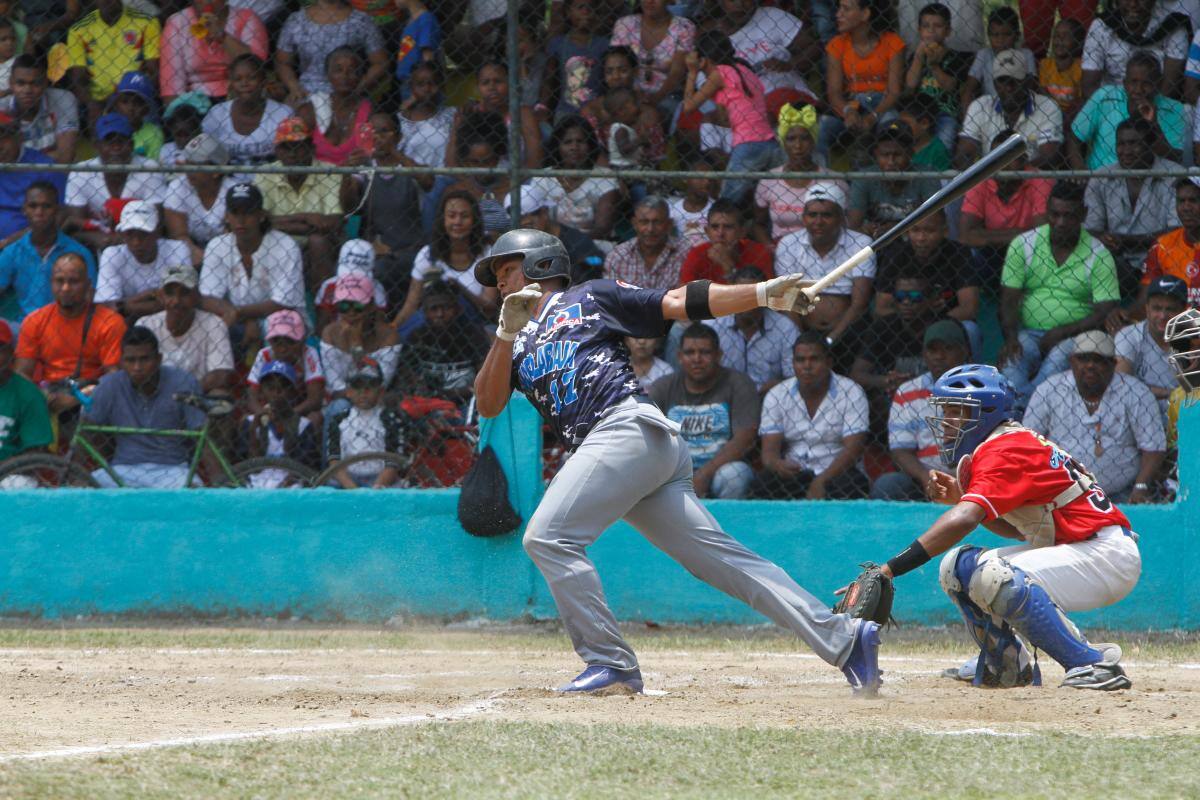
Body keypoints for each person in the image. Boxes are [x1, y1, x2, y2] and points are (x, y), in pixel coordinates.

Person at [471, 227, 881, 695]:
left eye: (506, 270)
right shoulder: (514, 341)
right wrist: (505, 332)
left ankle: (611, 664)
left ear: (541, 266)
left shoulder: (587, 297)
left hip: (627, 429)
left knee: (548, 538)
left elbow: (679, 302)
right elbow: (488, 404)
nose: (499, 284)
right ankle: (846, 639)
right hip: (623, 454)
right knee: (722, 562)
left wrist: (763, 294)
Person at [863, 363, 1141, 691]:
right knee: (957, 567)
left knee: (994, 573)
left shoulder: (1004, 449)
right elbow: (1017, 531)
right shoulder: (1000, 445)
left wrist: (890, 568)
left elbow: (966, 520)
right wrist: (963, 497)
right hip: (1079, 548)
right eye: (946, 410)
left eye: (958, 411)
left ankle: (1091, 663)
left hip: (1105, 555)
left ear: (987, 413)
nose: (947, 422)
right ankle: (1008, 663)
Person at [999, 181, 1120, 408]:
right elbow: (1008, 300)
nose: (1061, 222)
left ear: (1083, 214)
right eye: (1055, 214)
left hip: (1077, 335)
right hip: (1029, 333)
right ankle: (1020, 412)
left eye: (1069, 215)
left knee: (1055, 363)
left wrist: (1063, 332)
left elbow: (1105, 310)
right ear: (1046, 210)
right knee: (1012, 363)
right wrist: (1011, 338)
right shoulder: (1024, 244)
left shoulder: (1099, 253)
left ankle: (1018, 409)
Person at [1024, 330, 1166, 503]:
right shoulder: (1048, 390)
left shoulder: (1136, 392)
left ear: (1113, 364)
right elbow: (1028, 443)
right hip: (1060, 495)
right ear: (1071, 361)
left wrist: (1140, 487)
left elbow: (1154, 447)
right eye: (1083, 358)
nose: (1090, 365)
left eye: (1098, 360)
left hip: (1121, 495)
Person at [750, 331, 871, 500]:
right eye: (800, 360)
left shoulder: (852, 392)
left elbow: (854, 449)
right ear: (793, 363)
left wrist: (821, 480)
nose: (806, 366)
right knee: (762, 483)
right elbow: (769, 452)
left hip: (836, 472)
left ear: (829, 362)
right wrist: (778, 465)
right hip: (794, 472)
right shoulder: (777, 394)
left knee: (851, 484)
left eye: (814, 359)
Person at [84, 327, 207, 489]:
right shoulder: (108, 385)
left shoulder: (183, 382)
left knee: (194, 491)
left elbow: (201, 437)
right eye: (130, 360)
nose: (137, 367)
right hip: (124, 468)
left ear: (159, 359)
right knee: (86, 486)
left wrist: (221, 479)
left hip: (172, 469)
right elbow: (86, 429)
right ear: (121, 362)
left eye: (144, 359)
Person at [647, 323, 758, 499]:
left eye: (705, 352)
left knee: (734, 475)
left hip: (720, 468)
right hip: (674, 469)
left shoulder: (738, 383)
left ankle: (727, 524)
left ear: (718, 355)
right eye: (689, 353)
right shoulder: (663, 386)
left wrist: (704, 474)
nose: (696, 359)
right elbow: (646, 434)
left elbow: (744, 439)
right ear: (679, 357)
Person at [15, 254, 126, 416]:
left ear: (88, 285)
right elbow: (22, 373)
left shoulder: (110, 322)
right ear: (51, 284)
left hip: (93, 395)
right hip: (49, 394)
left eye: (73, 282)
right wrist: (40, 397)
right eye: (59, 281)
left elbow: (115, 376)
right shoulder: (35, 321)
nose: (65, 288)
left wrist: (77, 398)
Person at [870, 319, 969, 500]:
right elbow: (901, 450)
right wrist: (926, 477)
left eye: (947, 349)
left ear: (964, 352)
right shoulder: (907, 391)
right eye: (933, 350)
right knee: (888, 485)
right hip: (924, 478)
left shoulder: (982, 388)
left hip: (974, 476)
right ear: (924, 354)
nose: (939, 356)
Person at [774, 182, 875, 357]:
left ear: (841, 217)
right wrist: (803, 341)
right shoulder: (789, 244)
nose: (818, 222)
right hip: (802, 330)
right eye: (812, 215)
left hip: (850, 331)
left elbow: (860, 303)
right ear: (803, 217)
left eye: (826, 215)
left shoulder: (860, 244)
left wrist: (829, 341)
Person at [682, 30, 782, 203]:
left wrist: (691, 72)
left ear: (704, 61)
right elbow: (728, 114)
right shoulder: (743, 70)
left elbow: (688, 107)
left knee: (726, 203)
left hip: (748, 143)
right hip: (770, 143)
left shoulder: (720, 73)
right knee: (772, 197)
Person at [199, 182, 305, 341]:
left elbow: (284, 303)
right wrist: (239, 315)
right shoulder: (217, 246)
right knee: (208, 323)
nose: (241, 220)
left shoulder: (286, 246)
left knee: (277, 326)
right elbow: (207, 297)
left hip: (281, 319)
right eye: (235, 213)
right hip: (234, 318)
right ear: (227, 216)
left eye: (248, 213)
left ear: (261, 215)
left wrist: (240, 313)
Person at [1084, 118, 1182, 285]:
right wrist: (1104, 238)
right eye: (1121, 144)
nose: (1126, 151)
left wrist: (1128, 241)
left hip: (1162, 258)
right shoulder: (1101, 178)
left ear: (1150, 145)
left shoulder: (1174, 175)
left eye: (1133, 143)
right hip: (1114, 260)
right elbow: (1091, 228)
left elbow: (1176, 232)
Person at [255, 116, 344, 289]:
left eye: (298, 147)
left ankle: (323, 305)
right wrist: (305, 218)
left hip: (320, 247)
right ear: (277, 151)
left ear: (311, 148)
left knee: (318, 241)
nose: (292, 154)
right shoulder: (265, 173)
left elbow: (333, 222)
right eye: (285, 148)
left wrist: (274, 222)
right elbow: (257, 221)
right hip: (277, 242)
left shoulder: (330, 172)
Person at [392, 190, 497, 329]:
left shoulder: (487, 253)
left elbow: (489, 307)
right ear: (443, 220)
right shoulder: (427, 255)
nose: (457, 222)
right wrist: (392, 328)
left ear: (474, 220)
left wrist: (458, 288)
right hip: (433, 326)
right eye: (451, 216)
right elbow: (411, 305)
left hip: (471, 326)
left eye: (464, 216)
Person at [958, 130, 1053, 285]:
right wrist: (1018, 235)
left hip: (1028, 252)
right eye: (996, 158)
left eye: (1008, 158)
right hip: (991, 253)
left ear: (1024, 160)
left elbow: (1042, 235)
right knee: (970, 255)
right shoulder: (980, 179)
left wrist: (986, 236)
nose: (1001, 165)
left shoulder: (1039, 180)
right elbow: (966, 236)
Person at [817, 0, 906, 165]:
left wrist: (873, 117)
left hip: (883, 105)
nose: (838, 14)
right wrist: (848, 112)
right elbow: (834, 93)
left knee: (892, 124)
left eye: (846, 9)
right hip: (853, 105)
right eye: (839, 8)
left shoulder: (892, 42)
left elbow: (894, 92)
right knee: (822, 126)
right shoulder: (837, 44)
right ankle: (821, 179)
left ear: (865, 14)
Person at [62, 113, 166, 252]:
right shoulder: (81, 172)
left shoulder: (149, 169)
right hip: (95, 247)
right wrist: (97, 238)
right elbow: (74, 228)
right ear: (97, 146)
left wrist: (117, 239)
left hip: (141, 244)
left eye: (121, 141)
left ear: (131, 144)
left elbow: (157, 225)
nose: (116, 148)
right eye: (109, 142)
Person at [1069, 52, 1188, 171]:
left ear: (1159, 84)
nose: (1138, 90)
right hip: (1102, 178)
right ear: (1125, 83)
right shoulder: (1105, 97)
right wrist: (1080, 169)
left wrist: (1154, 124)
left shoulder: (1174, 109)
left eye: (1146, 83)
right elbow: (1074, 138)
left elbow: (1175, 159)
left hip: (1153, 180)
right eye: (1133, 82)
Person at [0, 182, 94, 323]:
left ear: (57, 210)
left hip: (69, 324)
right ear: (24, 210)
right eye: (33, 206)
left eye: (46, 206)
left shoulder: (79, 252)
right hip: (24, 325)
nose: (39, 212)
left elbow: (90, 297)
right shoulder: (13, 251)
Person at [850, 273, 942, 416]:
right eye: (900, 297)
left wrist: (912, 385)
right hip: (892, 396)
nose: (906, 302)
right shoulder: (883, 326)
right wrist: (888, 381)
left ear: (930, 299)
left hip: (935, 395)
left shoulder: (942, 328)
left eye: (914, 297)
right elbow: (857, 374)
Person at [874, 209, 979, 336]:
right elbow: (882, 308)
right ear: (907, 231)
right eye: (915, 230)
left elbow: (969, 308)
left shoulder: (959, 253)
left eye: (929, 231)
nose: (921, 238)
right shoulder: (896, 255)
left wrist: (931, 325)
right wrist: (913, 322)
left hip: (946, 322)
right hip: (904, 323)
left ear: (945, 231)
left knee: (970, 329)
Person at [716, 0, 822, 122]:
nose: (740, 3)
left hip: (787, 95)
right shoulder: (714, 40)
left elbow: (814, 46)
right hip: (748, 108)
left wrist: (790, 64)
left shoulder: (771, 16)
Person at [957, 49, 1063, 170]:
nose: (1008, 87)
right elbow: (964, 155)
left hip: (1031, 179)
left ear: (1027, 80)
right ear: (994, 83)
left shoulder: (1047, 107)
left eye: (1014, 81)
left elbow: (1049, 155)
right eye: (1002, 81)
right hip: (989, 180)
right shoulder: (980, 106)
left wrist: (1009, 170)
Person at [754, 106, 846, 244]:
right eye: (791, 139)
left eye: (804, 138)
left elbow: (846, 223)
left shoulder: (834, 180)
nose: (798, 145)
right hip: (781, 249)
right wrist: (770, 248)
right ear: (783, 143)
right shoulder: (769, 179)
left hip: (823, 248)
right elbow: (758, 224)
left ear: (813, 142)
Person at [138, 263, 234, 394]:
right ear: (161, 296)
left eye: (184, 293)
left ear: (196, 296)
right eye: (170, 294)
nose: (176, 301)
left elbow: (221, 374)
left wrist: (185, 393)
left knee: (219, 393)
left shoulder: (214, 324)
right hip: (155, 395)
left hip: (197, 394)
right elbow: (137, 372)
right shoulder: (145, 325)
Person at [65, 0, 160, 125]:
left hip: (135, 97)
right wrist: (91, 104)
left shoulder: (147, 22)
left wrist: (131, 98)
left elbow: (153, 72)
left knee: (139, 109)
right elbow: (78, 80)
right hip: (100, 101)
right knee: (95, 115)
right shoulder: (79, 30)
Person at [526, 116, 620, 240]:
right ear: (558, 146)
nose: (574, 147)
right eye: (567, 142)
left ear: (590, 145)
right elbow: (534, 222)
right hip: (549, 244)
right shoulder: (543, 178)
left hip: (593, 245)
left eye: (580, 141)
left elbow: (602, 227)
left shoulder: (604, 177)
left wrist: (573, 244)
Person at [275, 0, 387, 104]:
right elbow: (282, 62)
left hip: (347, 90)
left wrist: (359, 88)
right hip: (306, 92)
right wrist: (294, 88)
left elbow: (380, 62)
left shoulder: (361, 20)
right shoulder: (297, 20)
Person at [94, 202, 191, 321]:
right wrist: (149, 294)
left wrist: (123, 307)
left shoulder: (177, 249)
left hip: (169, 320)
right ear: (121, 234)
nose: (136, 242)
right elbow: (105, 308)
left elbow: (181, 301)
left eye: (143, 234)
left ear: (157, 232)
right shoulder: (112, 254)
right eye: (129, 234)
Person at [159, 0, 268, 104]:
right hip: (196, 99)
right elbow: (171, 86)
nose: (207, 1)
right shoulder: (177, 23)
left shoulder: (247, 18)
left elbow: (256, 66)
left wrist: (222, 36)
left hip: (241, 93)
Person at [846, 121, 942, 239]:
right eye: (885, 155)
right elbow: (853, 226)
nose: (891, 162)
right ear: (876, 154)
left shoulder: (927, 176)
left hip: (914, 242)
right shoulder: (864, 177)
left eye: (897, 155)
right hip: (874, 241)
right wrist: (867, 229)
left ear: (910, 154)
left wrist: (894, 228)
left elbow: (934, 223)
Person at [710, 267, 798, 393]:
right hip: (723, 396)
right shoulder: (713, 323)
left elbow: (794, 376)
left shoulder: (785, 328)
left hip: (769, 398)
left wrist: (777, 386)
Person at [320, 272, 402, 404]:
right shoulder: (330, 334)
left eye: (358, 306)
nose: (351, 313)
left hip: (376, 402)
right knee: (341, 405)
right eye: (344, 306)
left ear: (371, 306)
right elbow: (335, 386)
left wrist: (356, 343)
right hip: (342, 400)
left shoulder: (389, 337)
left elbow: (380, 384)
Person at [202, 54, 294, 170]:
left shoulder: (283, 114)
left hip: (271, 182)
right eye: (238, 79)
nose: (244, 83)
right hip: (228, 181)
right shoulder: (217, 114)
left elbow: (292, 154)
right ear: (231, 83)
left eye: (251, 78)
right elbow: (205, 152)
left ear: (263, 81)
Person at [326, 358, 407, 489]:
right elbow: (334, 460)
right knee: (330, 486)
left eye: (369, 387)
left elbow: (393, 462)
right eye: (357, 387)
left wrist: (376, 487)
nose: (363, 393)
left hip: (380, 477)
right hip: (348, 477)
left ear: (380, 391)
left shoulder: (390, 419)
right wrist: (352, 488)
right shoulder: (339, 420)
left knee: (397, 487)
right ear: (349, 392)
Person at [404, 280, 489, 404]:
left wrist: (449, 394)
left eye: (446, 307)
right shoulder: (417, 336)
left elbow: (484, 379)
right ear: (425, 312)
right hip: (429, 403)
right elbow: (407, 374)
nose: (440, 314)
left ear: (458, 309)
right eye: (434, 309)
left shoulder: (473, 334)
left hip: (467, 402)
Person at [1115, 275, 1190, 415]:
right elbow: (1121, 384)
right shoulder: (1130, 335)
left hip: (1184, 416)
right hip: (1140, 413)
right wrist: (1171, 393)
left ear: (1182, 311)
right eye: (1157, 308)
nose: (1162, 315)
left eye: (1170, 309)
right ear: (1147, 309)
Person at [1080, 0, 1187, 97]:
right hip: (1110, 103)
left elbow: (1169, 86)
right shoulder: (1101, 26)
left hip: (1156, 103)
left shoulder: (1171, 25)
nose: (1133, 4)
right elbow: (1089, 85)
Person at [238, 359, 321, 483]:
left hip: (290, 485)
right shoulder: (251, 422)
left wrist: (289, 428)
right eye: (271, 388)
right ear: (261, 392)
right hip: (255, 482)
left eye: (283, 388)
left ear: (292, 392)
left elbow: (304, 467)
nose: (276, 393)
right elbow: (249, 466)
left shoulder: (303, 425)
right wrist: (254, 430)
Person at [505, 184, 604, 285]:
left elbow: (597, 264)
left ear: (544, 212)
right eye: (519, 226)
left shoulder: (576, 241)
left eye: (529, 225)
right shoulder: (515, 245)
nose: (525, 231)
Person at [903, 2, 969, 151]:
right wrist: (919, 56)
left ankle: (939, 167)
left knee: (945, 138)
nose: (931, 31)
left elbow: (950, 86)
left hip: (944, 113)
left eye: (938, 26)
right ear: (919, 30)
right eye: (926, 26)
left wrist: (934, 66)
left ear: (948, 31)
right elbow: (910, 84)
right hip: (919, 113)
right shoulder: (916, 56)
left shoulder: (954, 57)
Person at [163, 133, 236, 266]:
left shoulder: (232, 190)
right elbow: (179, 236)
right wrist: (203, 260)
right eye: (188, 162)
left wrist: (213, 263)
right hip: (190, 255)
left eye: (196, 164)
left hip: (226, 255)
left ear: (216, 171)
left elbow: (231, 237)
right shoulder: (177, 187)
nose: (189, 169)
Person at [295, 46, 373, 168]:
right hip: (315, 178)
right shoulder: (309, 110)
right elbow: (296, 154)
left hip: (355, 178)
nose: (345, 76)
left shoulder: (370, 113)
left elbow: (366, 156)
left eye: (352, 70)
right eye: (338, 70)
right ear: (328, 74)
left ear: (361, 76)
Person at [1131, 178, 1200, 317]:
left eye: (1193, 201)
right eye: (1181, 201)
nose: (1186, 207)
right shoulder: (1162, 245)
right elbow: (1145, 298)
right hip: (1169, 325)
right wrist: (1126, 314)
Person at [608, 0, 695, 109]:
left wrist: (654, 100)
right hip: (627, 94)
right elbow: (615, 62)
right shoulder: (625, 24)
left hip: (667, 96)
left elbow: (676, 72)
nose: (649, 1)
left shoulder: (683, 27)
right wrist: (636, 98)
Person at [247, 309, 324, 428]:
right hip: (269, 409)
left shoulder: (308, 353)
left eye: (289, 341)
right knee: (247, 421)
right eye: (276, 341)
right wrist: (262, 413)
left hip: (299, 408)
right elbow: (251, 396)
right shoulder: (264, 355)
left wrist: (288, 414)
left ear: (302, 340)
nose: (283, 348)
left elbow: (315, 399)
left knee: (315, 417)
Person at [1, 54, 79, 164]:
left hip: (55, 175)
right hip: (15, 178)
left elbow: (65, 156)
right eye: (20, 83)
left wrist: (20, 162)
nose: (27, 90)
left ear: (45, 83)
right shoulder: (2, 109)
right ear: (11, 84)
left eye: (35, 83)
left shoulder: (63, 99)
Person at [603, 195, 689, 292]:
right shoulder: (617, 256)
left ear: (669, 224)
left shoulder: (686, 253)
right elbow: (610, 299)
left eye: (657, 222)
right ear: (635, 224)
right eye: (644, 222)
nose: (650, 229)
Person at [0, 112, 63, 242]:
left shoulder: (45, 166)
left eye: (4, 137)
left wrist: (7, 243)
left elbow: (59, 217)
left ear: (19, 137)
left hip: (29, 243)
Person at [680, 200, 774, 285]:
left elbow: (765, 296)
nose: (720, 234)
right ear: (707, 231)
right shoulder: (697, 254)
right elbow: (683, 297)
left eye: (728, 227)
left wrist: (728, 269)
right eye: (715, 227)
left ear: (742, 232)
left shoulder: (759, 252)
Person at [960, 7, 1037, 110]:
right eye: (995, 35)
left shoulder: (1025, 54)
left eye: (1007, 34)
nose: (1000, 40)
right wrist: (967, 117)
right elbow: (969, 88)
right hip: (990, 109)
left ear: (1017, 35)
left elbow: (1031, 87)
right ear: (988, 35)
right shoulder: (984, 55)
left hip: (1019, 106)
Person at [0, 319, 53, 463]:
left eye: (0, 348)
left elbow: (36, 450)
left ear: (11, 352)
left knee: (21, 483)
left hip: (9, 474)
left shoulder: (27, 393)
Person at [545, 0, 609, 118]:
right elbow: (549, 81)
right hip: (565, 110)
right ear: (568, 12)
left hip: (595, 112)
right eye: (580, 7)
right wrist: (543, 107)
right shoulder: (558, 43)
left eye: (590, 8)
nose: (585, 11)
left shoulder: (603, 44)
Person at [397, 62, 456, 169]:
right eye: (420, 84)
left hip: (442, 178)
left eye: (433, 83)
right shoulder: (400, 121)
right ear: (412, 87)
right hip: (408, 180)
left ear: (441, 85)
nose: (427, 89)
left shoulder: (451, 115)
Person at [109, 71, 163, 160]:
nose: (131, 108)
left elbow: (152, 166)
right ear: (116, 105)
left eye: (137, 103)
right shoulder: (109, 129)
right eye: (125, 102)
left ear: (146, 109)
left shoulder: (154, 133)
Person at [1039, 18, 1086, 119]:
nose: (1059, 39)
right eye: (1056, 35)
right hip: (1049, 113)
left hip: (1073, 116)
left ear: (1077, 41)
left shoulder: (1081, 67)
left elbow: (1081, 100)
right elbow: (1043, 93)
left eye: (1066, 36)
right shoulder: (1045, 64)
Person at [392, 0, 440, 100]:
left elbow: (428, 56)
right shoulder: (412, 20)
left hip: (420, 84)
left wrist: (425, 85)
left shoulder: (426, 19)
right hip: (408, 81)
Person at [895, 91, 951, 170]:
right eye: (898, 123)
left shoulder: (937, 152)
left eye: (905, 123)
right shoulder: (897, 146)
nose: (899, 127)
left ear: (924, 124)